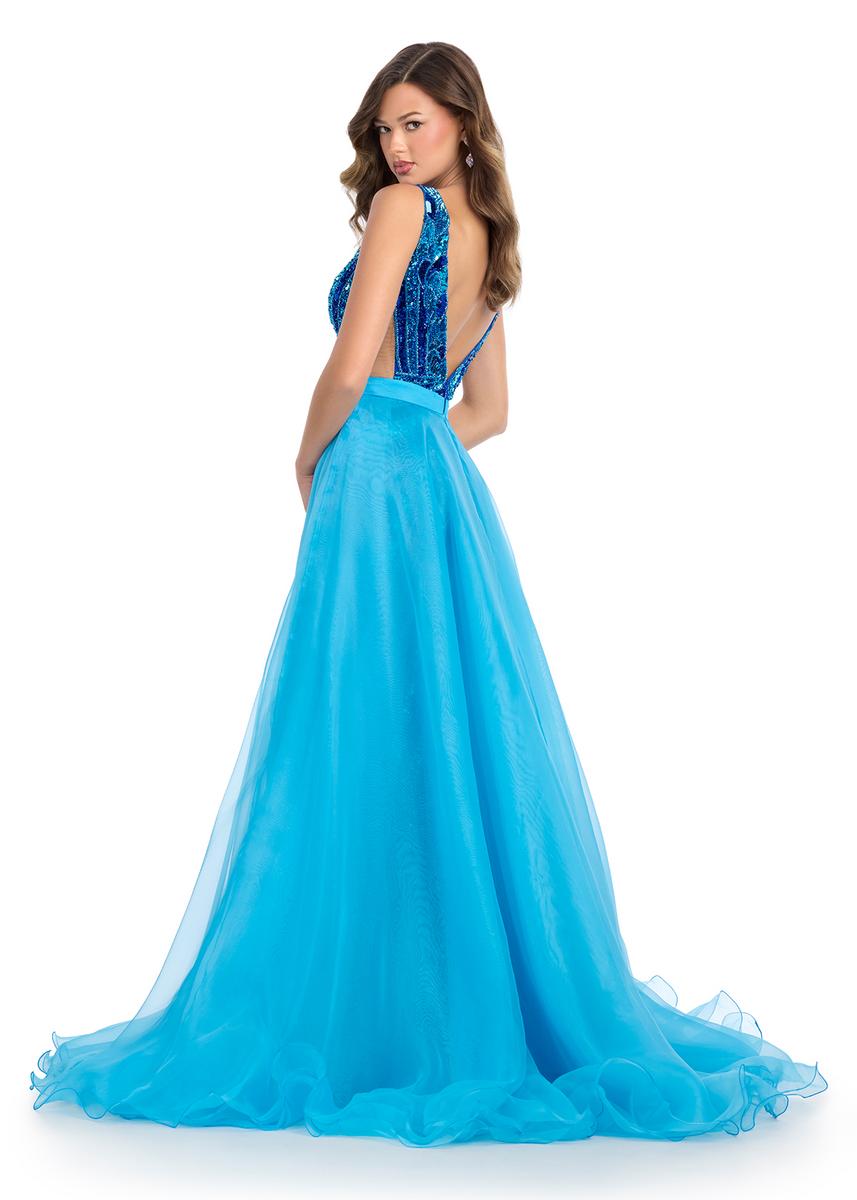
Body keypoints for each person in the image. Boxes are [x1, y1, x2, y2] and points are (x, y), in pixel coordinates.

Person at [30, 42, 827, 1147]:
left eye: (415, 123)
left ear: (461, 120)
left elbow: (350, 364)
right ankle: (444, 996)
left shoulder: (403, 214)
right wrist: (422, 450)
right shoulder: (493, 243)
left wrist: (312, 459)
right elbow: (486, 411)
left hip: (370, 474)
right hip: (438, 491)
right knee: (448, 726)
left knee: (349, 720)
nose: (397, 147)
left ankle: (356, 1011)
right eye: (385, 129)